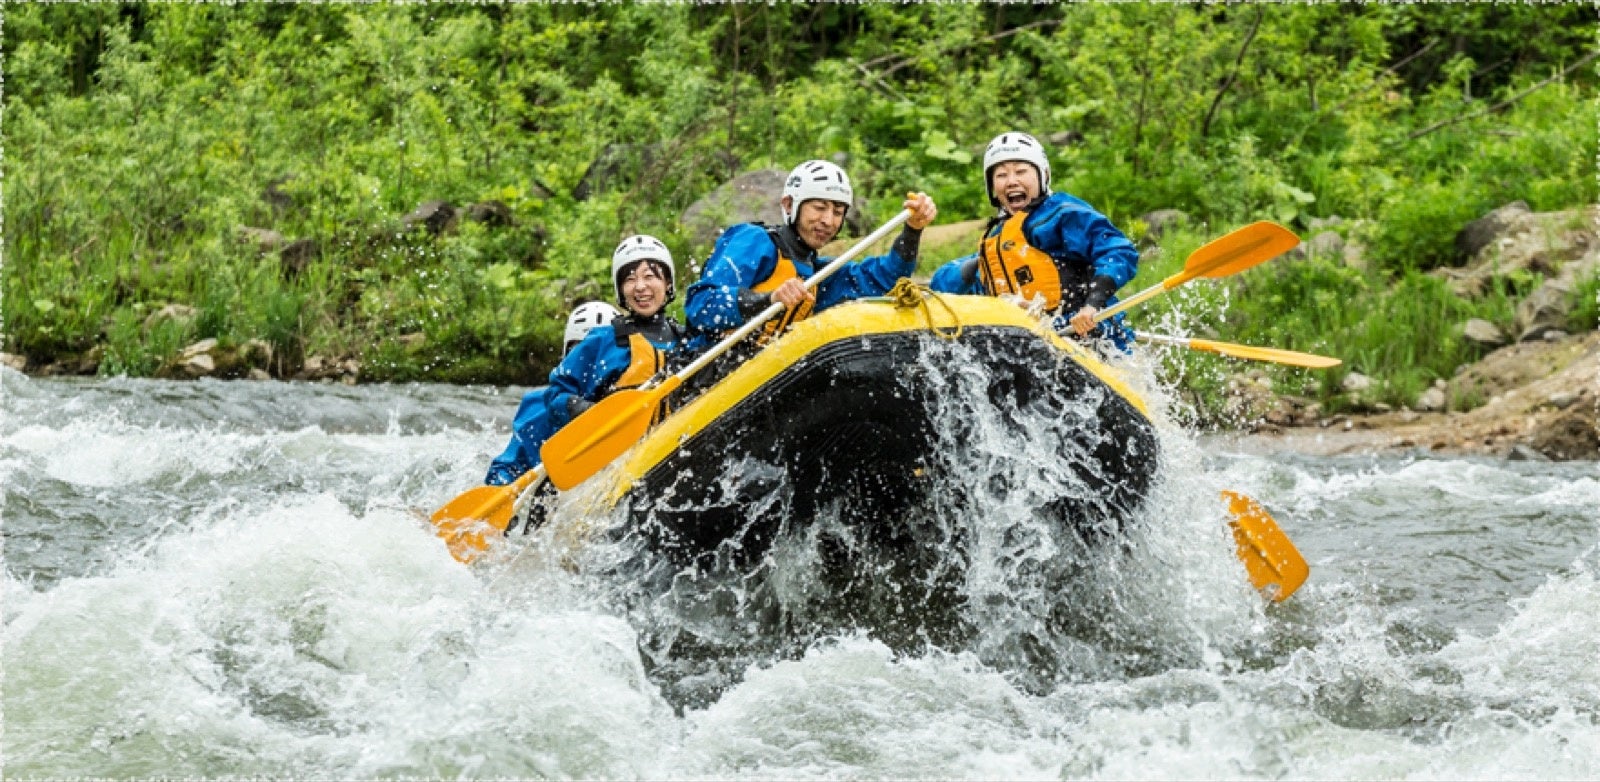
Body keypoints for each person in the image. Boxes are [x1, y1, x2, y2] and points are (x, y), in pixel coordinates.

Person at [684, 160, 938, 343]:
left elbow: (885, 279)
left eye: (837, 212)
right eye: (819, 208)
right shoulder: (754, 241)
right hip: (711, 374)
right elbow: (700, 305)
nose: (828, 220)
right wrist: (769, 299)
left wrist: (912, 231)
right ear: (789, 205)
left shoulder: (820, 275)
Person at [929, 132, 1139, 350]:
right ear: (992, 186)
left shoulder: (1063, 214)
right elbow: (940, 286)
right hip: (1036, 344)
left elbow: (1119, 251)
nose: (1011, 181)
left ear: (1043, 174)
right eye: (1001, 175)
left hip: (1091, 335)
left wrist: (1092, 304)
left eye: (1021, 171)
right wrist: (980, 263)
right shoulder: (996, 241)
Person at [483, 301, 620, 487]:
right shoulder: (540, 407)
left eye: (599, 355)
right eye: (580, 351)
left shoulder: (628, 395)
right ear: (566, 356)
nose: (587, 362)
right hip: (550, 491)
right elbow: (508, 466)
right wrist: (502, 486)